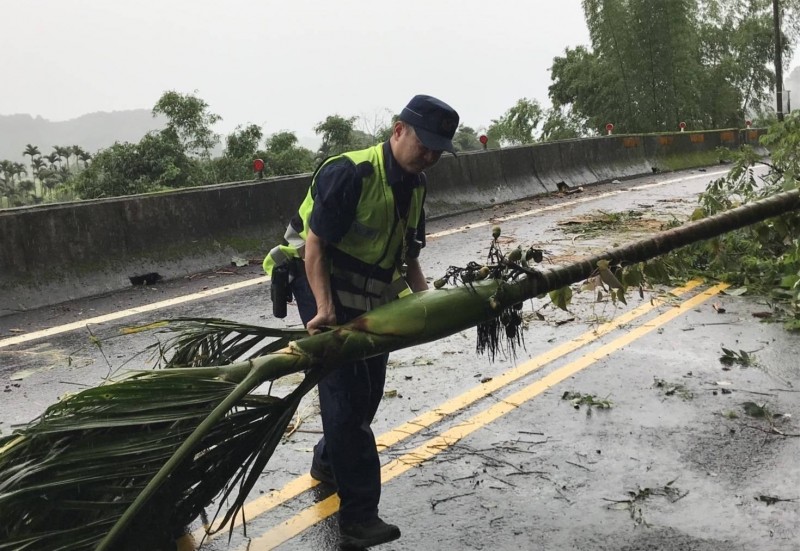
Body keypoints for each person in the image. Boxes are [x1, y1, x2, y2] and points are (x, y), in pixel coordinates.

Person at [263, 94, 459, 548]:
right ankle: (358, 518)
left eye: (437, 150)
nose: (428, 155)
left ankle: (329, 463)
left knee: (366, 391)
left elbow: (408, 256)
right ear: (398, 131)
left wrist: (427, 303)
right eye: (423, 144)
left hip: (367, 294)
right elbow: (313, 247)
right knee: (347, 402)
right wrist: (324, 309)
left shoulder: (416, 184)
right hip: (316, 282)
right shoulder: (351, 173)